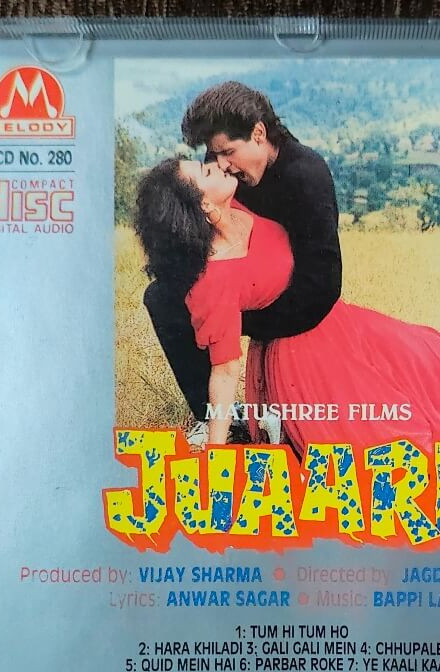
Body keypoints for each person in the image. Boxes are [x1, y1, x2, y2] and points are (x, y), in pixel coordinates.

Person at [136, 158, 440, 456]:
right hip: (301, 361)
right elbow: (224, 372)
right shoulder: (213, 281)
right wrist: (216, 452)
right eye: (207, 171)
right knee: (389, 440)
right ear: (204, 204)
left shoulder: (239, 204)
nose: (218, 165)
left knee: (418, 364)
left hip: (336, 322)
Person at [144, 82, 341, 443]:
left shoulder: (306, 176)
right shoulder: (225, 168)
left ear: (259, 134)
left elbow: (322, 284)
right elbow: (191, 215)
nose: (220, 164)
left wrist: (230, 320)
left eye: (228, 152)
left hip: (293, 298)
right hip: (234, 277)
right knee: (161, 296)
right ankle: (212, 416)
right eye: (213, 154)